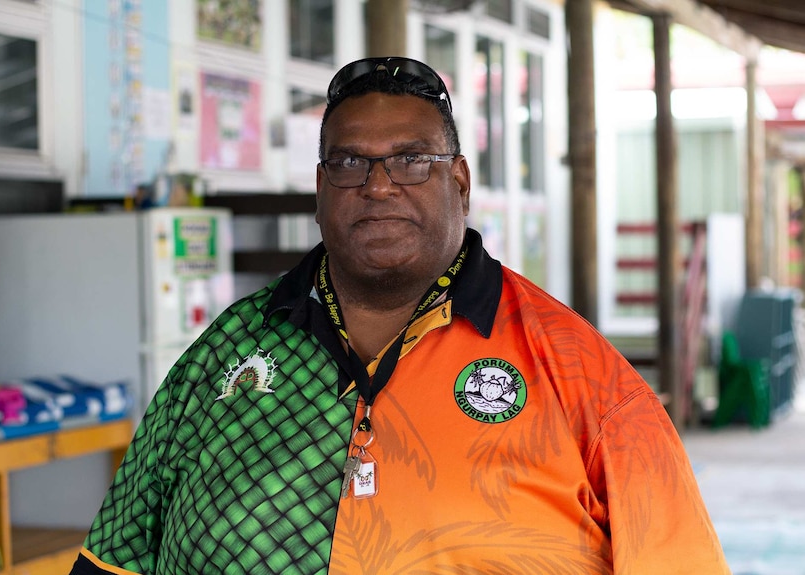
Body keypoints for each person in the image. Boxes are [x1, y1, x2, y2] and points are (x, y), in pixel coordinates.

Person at [70, 57, 730, 575]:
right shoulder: (223, 357)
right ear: (321, 189)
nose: (377, 184)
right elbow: (113, 557)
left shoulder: (585, 378)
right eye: (350, 160)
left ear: (461, 184)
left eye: (412, 159)